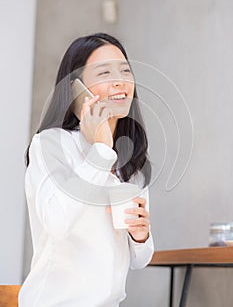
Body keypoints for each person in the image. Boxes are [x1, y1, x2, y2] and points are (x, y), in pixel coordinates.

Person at [19, 33, 154, 307]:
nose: (120, 81)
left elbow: (140, 260)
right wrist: (100, 152)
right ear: (77, 89)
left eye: (125, 70)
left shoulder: (132, 160)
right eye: (104, 72)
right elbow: (57, 223)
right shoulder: (50, 144)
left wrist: (141, 236)